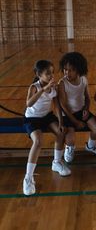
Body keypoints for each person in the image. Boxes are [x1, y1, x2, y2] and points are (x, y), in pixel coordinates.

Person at [23, 60, 71, 196]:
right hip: (32, 118)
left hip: (47, 116)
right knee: (38, 141)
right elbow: (29, 103)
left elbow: (56, 106)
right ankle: (28, 177)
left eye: (52, 73)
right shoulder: (34, 86)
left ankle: (56, 162)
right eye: (47, 73)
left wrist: (61, 122)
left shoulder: (53, 87)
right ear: (39, 75)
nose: (51, 76)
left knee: (61, 133)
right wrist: (43, 89)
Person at [58, 52, 96, 163]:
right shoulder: (62, 83)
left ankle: (91, 146)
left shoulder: (83, 79)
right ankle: (69, 148)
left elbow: (88, 98)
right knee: (71, 139)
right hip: (68, 115)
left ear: (79, 70)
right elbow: (63, 105)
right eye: (65, 69)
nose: (67, 73)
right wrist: (75, 121)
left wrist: (86, 109)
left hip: (80, 111)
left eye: (71, 70)